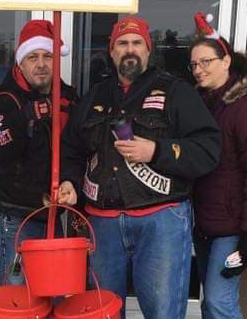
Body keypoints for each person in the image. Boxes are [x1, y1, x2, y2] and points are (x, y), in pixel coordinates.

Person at [62, 16, 222, 319]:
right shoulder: (94, 96)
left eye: (137, 43)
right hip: (102, 224)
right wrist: (69, 181)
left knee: (163, 313)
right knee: (102, 313)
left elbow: (208, 149)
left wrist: (156, 150)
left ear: (148, 51)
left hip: (161, 221)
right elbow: (71, 148)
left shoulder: (176, 92)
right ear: (112, 52)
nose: (130, 49)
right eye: (122, 43)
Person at [189, 12, 247, 319]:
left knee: (218, 301)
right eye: (194, 64)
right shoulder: (203, 103)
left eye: (206, 62)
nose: (198, 70)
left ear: (226, 61)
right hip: (205, 222)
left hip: (232, 225)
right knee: (211, 301)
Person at [0, 19, 79, 286]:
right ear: (20, 63)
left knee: (54, 287)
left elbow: (74, 150)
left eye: (48, 56)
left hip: (53, 213)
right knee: (18, 295)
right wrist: (39, 195)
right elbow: (2, 160)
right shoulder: (7, 102)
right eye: (33, 57)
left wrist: (70, 184)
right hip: (16, 216)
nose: (41, 64)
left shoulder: (68, 98)